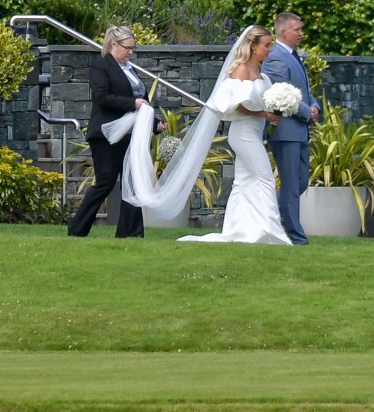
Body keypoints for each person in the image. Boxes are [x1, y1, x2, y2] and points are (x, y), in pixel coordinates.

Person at [178, 26, 292, 245]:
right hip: (244, 134)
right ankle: (273, 232)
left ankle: (238, 230)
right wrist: (263, 114)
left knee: (244, 182)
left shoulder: (261, 73)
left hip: (255, 133)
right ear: (253, 46)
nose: (269, 49)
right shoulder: (240, 71)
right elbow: (237, 106)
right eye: (266, 45)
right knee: (265, 178)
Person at [68, 26, 166, 238]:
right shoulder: (101, 66)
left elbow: (142, 103)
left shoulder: (131, 70)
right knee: (105, 182)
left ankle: (130, 233)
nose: (130, 52)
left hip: (132, 136)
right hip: (106, 136)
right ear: (113, 45)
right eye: (127, 48)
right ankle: (77, 229)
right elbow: (103, 98)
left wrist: (155, 123)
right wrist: (133, 103)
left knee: (132, 182)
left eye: (133, 48)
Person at [261, 13, 320, 246]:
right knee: (290, 183)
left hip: (300, 131)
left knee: (301, 182)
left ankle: (272, 219)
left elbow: (302, 90)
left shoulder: (294, 56)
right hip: (285, 132)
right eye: (297, 29)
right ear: (283, 32)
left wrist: (314, 106)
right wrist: (307, 112)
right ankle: (296, 236)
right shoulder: (275, 58)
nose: (301, 33)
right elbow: (280, 95)